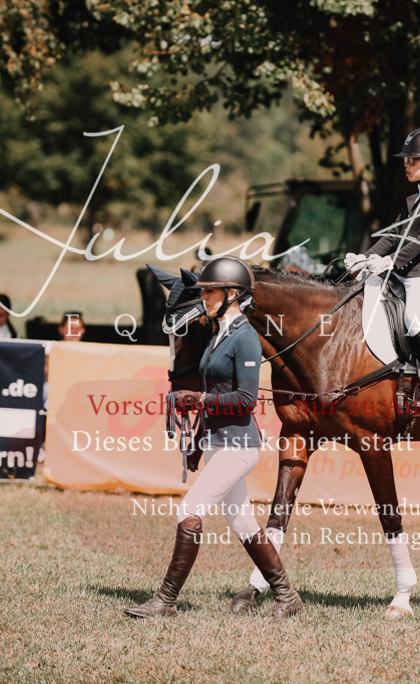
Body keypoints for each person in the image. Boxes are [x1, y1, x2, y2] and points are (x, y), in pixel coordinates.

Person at [124, 256, 304, 619]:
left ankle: (166, 600)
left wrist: (199, 398)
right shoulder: (216, 334)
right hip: (216, 443)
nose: (204, 297)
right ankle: (288, 597)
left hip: (240, 445)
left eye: (210, 291)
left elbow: (246, 400)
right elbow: (211, 390)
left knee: (190, 510)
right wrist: (196, 443)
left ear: (232, 294)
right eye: (204, 291)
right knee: (243, 524)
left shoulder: (246, 338)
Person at [345, 126, 420, 412]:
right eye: (406, 159)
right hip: (399, 275)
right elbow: (393, 237)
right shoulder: (413, 199)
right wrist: (364, 258)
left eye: (413, 160)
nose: (406, 164)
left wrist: (391, 261)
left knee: (412, 317)